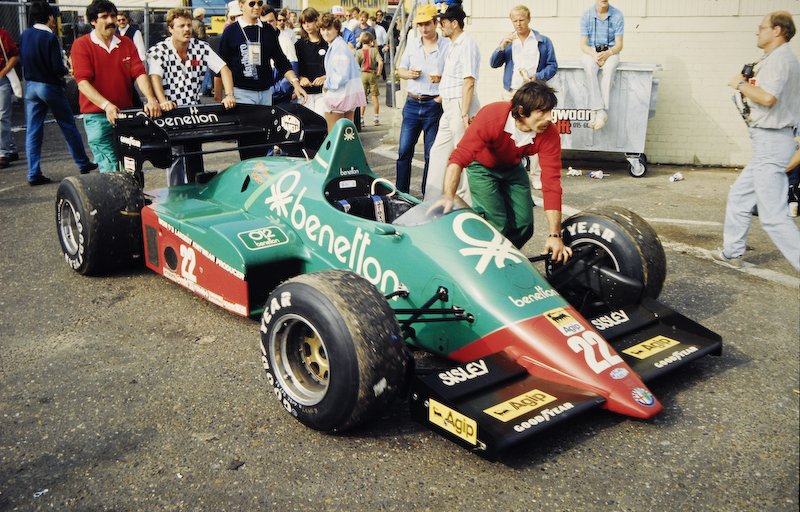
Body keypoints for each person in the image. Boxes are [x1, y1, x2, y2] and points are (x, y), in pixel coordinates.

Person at [430, 80, 571, 261]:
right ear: (521, 112)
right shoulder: (492, 116)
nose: (550, 118)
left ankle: (500, 260)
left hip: (512, 167)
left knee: (524, 226)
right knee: (497, 223)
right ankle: (478, 261)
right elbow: (458, 158)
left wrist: (555, 235)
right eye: (542, 112)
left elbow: (551, 183)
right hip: (482, 167)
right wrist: (448, 196)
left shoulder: (549, 133)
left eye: (550, 111)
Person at [714, 11, 800, 271]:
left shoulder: (781, 60)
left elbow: (767, 98)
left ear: (777, 31)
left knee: (773, 217)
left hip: (773, 142)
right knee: (740, 197)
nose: (757, 32)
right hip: (768, 143)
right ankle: (732, 252)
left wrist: (740, 84)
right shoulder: (775, 59)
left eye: (762, 27)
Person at [71, 0, 161, 173]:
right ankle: (116, 199)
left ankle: (133, 199)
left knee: (131, 166)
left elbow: (139, 73)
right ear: (93, 21)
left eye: (112, 15)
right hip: (97, 117)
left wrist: (150, 99)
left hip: (125, 114)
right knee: (110, 167)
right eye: (104, 17)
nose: (110, 20)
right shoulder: (81, 45)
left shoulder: (126, 43)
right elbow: (82, 82)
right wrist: (106, 105)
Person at [148, 8, 236, 185]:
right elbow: (154, 76)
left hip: (193, 111)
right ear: (170, 28)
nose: (187, 29)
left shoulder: (201, 47)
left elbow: (224, 69)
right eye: (181, 26)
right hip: (170, 112)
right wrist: (163, 101)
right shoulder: (158, 50)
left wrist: (229, 95)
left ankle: (196, 197)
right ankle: (176, 198)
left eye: (189, 25)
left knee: (194, 155)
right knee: (174, 158)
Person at [21, 1, 98, 186]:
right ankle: (82, 162)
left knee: (33, 130)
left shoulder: (25, 34)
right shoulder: (50, 38)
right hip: (49, 86)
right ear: (49, 18)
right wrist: (66, 70)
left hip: (30, 85)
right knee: (67, 124)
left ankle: (33, 172)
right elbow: (57, 67)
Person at [490, 4, 558, 191]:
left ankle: (536, 175)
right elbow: (494, 63)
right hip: (511, 92)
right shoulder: (509, 41)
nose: (518, 24)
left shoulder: (542, 41)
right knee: (508, 131)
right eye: (514, 21)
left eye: (521, 20)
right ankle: (510, 171)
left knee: (535, 132)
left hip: (533, 93)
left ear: (529, 19)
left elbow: (552, 65)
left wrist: (538, 77)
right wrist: (501, 47)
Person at [424, 4, 480, 202]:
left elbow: (469, 80)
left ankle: (468, 203)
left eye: (444, 22)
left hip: (460, 105)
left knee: (463, 154)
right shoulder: (454, 45)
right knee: (438, 151)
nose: (440, 26)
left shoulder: (467, 44)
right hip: (449, 105)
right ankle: (432, 199)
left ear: (455, 23)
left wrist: (464, 113)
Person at [395, 4, 448, 194]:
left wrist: (440, 91)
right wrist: (408, 74)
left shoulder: (447, 46)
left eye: (427, 24)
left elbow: (453, 75)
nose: (424, 29)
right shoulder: (412, 43)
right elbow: (399, 70)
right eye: (420, 25)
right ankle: (401, 193)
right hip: (411, 102)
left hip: (433, 103)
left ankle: (427, 195)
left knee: (430, 154)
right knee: (403, 151)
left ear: (436, 23)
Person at [217, 0, 306, 106]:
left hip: (266, 93)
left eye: (259, 3)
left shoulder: (268, 30)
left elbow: (281, 61)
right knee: (249, 123)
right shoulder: (231, 31)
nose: (256, 7)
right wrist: (221, 95)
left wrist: (296, 84)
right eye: (252, 3)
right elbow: (221, 66)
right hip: (242, 93)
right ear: (241, 5)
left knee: (265, 123)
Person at [579, 0, 624, 130]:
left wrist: (608, 53)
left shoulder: (617, 15)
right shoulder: (586, 15)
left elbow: (619, 44)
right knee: (588, 66)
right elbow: (583, 45)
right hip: (592, 51)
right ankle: (599, 110)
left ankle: (598, 111)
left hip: (611, 51)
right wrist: (594, 55)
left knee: (609, 69)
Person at [319, 12, 365, 132]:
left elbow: (340, 76)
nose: (325, 32)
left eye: (329, 28)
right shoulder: (339, 45)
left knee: (335, 138)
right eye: (322, 29)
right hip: (347, 96)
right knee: (346, 138)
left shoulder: (339, 47)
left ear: (337, 29)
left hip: (338, 97)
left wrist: (326, 84)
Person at [261, 6, 299, 105]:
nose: (268, 25)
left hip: (279, 100)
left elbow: (292, 71)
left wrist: (273, 92)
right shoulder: (258, 39)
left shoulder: (285, 40)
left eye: (271, 21)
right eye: (265, 22)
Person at [295, 7, 328, 118]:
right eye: (303, 23)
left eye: (309, 21)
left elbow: (336, 68)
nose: (307, 25)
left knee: (321, 121)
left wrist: (325, 77)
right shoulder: (299, 45)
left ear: (316, 21)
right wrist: (300, 78)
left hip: (323, 92)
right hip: (305, 93)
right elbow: (294, 68)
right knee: (306, 124)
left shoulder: (327, 43)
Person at [0, 27, 20, 170]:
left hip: (2, 81)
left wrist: (2, 73)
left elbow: (15, 55)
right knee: (2, 116)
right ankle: (10, 147)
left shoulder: (3, 34)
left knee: (2, 116)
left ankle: (2, 153)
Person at [356, 32, 383, 126]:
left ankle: (361, 119)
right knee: (374, 96)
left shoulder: (358, 52)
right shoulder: (374, 51)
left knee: (362, 98)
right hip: (372, 74)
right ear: (371, 41)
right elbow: (380, 62)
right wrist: (379, 73)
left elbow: (356, 66)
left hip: (362, 75)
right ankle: (376, 118)